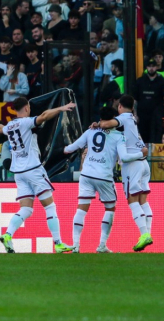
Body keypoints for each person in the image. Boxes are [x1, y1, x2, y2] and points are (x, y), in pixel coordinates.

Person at [0, 96, 75, 254]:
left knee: (26, 209)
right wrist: (61, 109)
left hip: (19, 173)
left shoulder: (10, 126)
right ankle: (58, 243)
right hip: (33, 169)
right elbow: (44, 116)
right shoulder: (27, 122)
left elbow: (1, 128)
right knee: (50, 206)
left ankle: (7, 235)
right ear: (27, 108)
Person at [64, 106, 148, 253]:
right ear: (114, 119)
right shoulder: (119, 136)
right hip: (104, 176)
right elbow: (125, 157)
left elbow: (70, 148)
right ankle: (102, 245)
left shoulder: (90, 131)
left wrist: (64, 149)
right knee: (110, 208)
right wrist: (141, 154)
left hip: (86, 175)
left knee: (81, 208)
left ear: (100, 118)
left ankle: (76, 245)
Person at [97, 95, 153, 252]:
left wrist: (98, 124)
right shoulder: (133, 119)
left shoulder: (123, 118)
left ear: (120, 106)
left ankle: (144, 234)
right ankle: (147, 234)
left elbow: (106, 123)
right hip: (143, 163)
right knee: (143, 201)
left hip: (132, 164)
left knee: (132, 200)